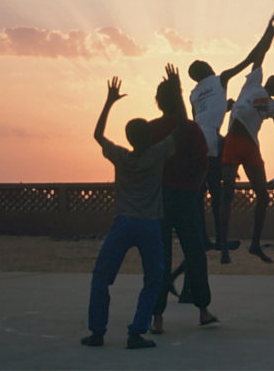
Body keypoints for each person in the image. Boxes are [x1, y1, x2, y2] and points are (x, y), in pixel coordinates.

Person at [81, 76, 181, 349]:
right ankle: (136, 332)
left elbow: (98, 135)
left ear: (129, 138)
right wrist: (176, 90)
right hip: (149, 224)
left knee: (101, 277)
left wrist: (109, 102)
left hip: (123, 222)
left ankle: (98, 332)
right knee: (153, 279)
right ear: (149, 137)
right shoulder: (157, 154)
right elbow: (182, 127)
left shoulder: (122, 157)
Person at [148, 65, 218, 335]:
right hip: (186, 199)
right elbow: (202, 165)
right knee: (195, 255)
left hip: (159, 201)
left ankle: (157, 318)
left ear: (158, 102)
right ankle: (203, 311)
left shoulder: (151, 129)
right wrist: (193, 189)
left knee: (159, 258)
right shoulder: (190, 129)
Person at [219, 12, 274, 264]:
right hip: (233, 141)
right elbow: (262, 50)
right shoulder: (253, 83)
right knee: (227, 193)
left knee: (263, 195)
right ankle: (223, 245)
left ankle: (255, 244)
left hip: (250, 147)